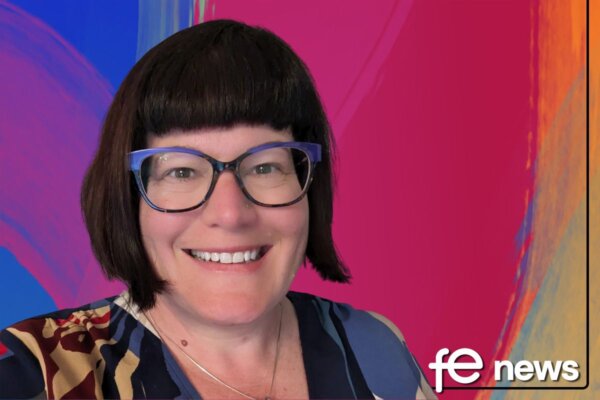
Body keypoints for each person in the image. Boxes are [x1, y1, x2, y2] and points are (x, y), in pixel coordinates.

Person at [0, 19, 435, 399]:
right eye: (182, 172)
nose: (230, 214)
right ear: (128, 197)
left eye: (265, 167)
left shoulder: (373, 346)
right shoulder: (35, 372)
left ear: (309, 186)